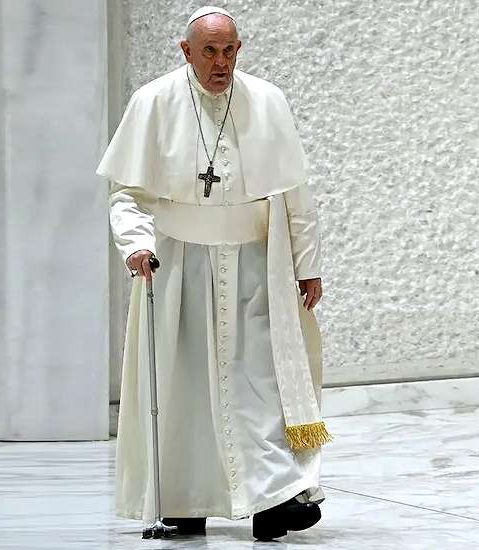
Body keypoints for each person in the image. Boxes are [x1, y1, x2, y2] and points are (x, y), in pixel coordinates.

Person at [98, 6, 331, 542]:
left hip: (256, 264)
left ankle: (274, 501)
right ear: (185, 51)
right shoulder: (153, 102)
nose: (221, 62)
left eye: (230, 50)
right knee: (183, 387)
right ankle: (182, 501)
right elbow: (128, 196)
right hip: (179, 263)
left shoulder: (267, 101)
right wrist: (136, 245)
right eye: (209, 51)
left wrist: (308, 264)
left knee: (261, 384)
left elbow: (296, 195)